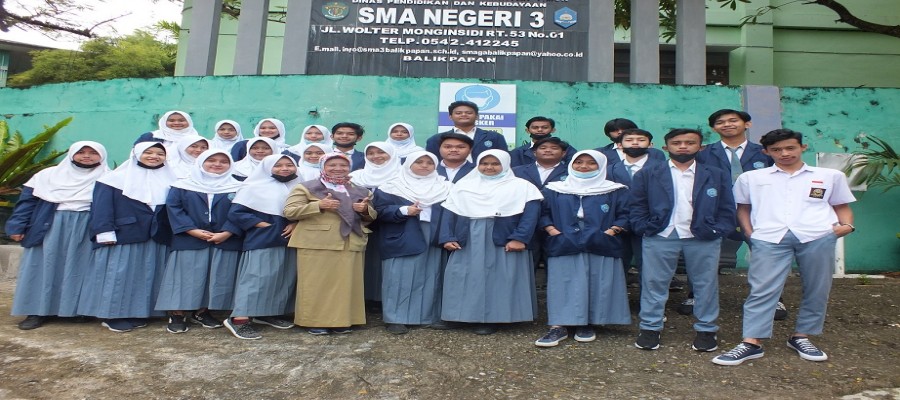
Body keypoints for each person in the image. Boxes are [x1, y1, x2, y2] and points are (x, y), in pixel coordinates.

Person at [712, 129, 856, 366]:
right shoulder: (752, 178)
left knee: (817, 288)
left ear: (802, 147)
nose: (784, 153)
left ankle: (802, 336)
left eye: (790, 148)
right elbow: (742, 208)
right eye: (776, 150)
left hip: (817, 236)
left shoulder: (830, 176)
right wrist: (750, 233)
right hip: (769, 238)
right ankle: (752, 342)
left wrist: (847, 226)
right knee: (762, 288)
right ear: (766, 152)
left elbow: (841, 205)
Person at [630, 128, 736, 352]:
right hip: (660, 234)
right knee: (654, 283)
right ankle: (650, 327)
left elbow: (727, 207)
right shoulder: (648, 173)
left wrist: (718, 230)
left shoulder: (715, 174)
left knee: (705, 284)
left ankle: (706, 329)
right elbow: (637, 205)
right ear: (665, 147)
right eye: (677, 143)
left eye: (690, 142)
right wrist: (644, 227)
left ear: (701, 147)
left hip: (702, 236)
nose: (683, 147)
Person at [685, 109, 784, 318]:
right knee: (703, 254)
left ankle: (773, 300)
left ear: (747, 124)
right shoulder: (703, 154)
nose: (727, 124)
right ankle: (696, 296)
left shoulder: (764, 153)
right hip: (715, 211)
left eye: (733, 120)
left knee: (766, 255)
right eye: (721, 122)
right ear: (714, 128)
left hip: (757, 212)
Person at [7, 142, 110, 330]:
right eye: (81, 152)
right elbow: (27, 203)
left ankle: (74, 310)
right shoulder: (47, 176)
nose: (86, 156)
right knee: (42, 267)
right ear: (72, 154)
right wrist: (17, 226)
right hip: (50, 224)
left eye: (92, 153)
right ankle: (36, 311)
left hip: (87, 226)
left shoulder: (108, 178)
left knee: (80, 267)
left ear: (102, 156)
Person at [439, 150, 543, 335]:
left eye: (495, 164)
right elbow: (449, 212)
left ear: (505, 164)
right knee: (465, 276)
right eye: (484, 163)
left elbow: (530, 216)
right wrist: (447, 237)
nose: (489, 167)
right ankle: (459, 316)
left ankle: (493, 318)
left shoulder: (523, 186)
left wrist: (520, 238)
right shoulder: (463, 185)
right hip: (469, 236)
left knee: (501, 277)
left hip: (504, 236)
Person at [535, 150, 631, 347]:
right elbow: (542, 212)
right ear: (571, 164)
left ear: (601, 166)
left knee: (598, 280)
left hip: (601, 239)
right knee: (563, 281)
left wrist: (612, 231)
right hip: (564, 239)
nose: (584, 166)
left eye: (591, 163)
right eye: (578, 162)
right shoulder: (554, 188)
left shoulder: (615, 190)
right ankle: (558, 325)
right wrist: (552, 230)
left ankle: (588, 323)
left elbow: (626, 213)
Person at [79, 142, 176, 333]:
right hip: (124, 235)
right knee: (118, 276)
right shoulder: (113, 179)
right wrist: (104, 232)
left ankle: (138, 312)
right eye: (148, 152)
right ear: (136, 154)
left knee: (147, 275)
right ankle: (112, 315)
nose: (154, 156)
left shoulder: (171, 178)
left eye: (160, 153)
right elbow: (101, 208)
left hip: (156, 236)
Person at [283, 153, 377, 335]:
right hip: (316, 243)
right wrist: (319, 205)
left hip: (350, 241)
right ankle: (315, 321)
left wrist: (365, 210)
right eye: (332, 165)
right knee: (316, 283)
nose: (338, 168)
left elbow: (371, 217)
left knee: (346, 284)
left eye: (343, 165)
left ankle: (343, 321)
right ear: (323, 167)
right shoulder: (306, 187)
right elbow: (290, 211)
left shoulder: (361, 191)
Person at [155, 149, 244, 334]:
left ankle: (202, 312)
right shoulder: (182, 185)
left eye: (223, 161)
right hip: (188, 238)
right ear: (201, 162)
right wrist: (192, 230)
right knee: (184, 277)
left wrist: (227, 232)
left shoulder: (239, 186)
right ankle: (177, 313)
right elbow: (174, 209)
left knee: (215, 276)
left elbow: (243, 211)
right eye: (211, 160)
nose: (217, 164)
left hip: (224, 240)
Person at [374, 151, 452, 334]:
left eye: (429, 163)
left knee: (431, 275)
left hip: (433, 234)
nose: (424, 165)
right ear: (409, 164)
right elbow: (379, 211)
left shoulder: (445, 186)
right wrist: (402, 210)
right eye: (419, 162)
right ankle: (395, 319)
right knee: (398, 276)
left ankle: (428, 317)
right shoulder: (391, 186)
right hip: (402, 234)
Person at [224, 154, 301, 340]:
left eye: (289, 165)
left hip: (290, 238)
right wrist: (262, 224)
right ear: (267, 168)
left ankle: (267, 313)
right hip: (263, 238)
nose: (285, 168)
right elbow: (236, 213)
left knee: (283, 277)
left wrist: (296, 223)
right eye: (278, 165)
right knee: (257, 277)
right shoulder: (253, 186)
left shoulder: (299, 185)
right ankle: (239, 319)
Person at [608, 129, 666, 287]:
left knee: (649, 265)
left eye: (641, 140)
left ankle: (648, 300)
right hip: (618, 225)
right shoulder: (609, 170)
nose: (635, 143)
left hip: (650, 223)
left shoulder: (663, 168)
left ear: (650, 144)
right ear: (620, 145)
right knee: (617, 263)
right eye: (629, 140)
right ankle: (616, 299)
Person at [349, 142, 403, 311]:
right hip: (360, 223)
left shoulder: (402, 176)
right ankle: (362, 299)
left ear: (392, 154)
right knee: (365, 261)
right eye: (371, 153)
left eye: (381, 152)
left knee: (383, 261)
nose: (376, 156)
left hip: (391, 223)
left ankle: (381, 299)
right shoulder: (355, 176)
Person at [425, 100, 508, 162]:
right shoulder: (436, 139)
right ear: (450, 117)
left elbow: (504, 160)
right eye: (458, 113)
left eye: (469, 113)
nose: (463, 115)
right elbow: (432, 162)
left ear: (477, 116)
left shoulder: (495, 137)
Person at [509, 116, 577, 167]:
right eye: (535, 128)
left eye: (545, 127)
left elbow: (571, 169)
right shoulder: (517, 152)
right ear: (527, 130)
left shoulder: (566, 149)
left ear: (553, 130)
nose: (540, 130)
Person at [595, 118, 665, 166]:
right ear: (608, 133)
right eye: (615, 130)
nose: (620, 132)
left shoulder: (656, 153)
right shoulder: (599, 153)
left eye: (624, 129)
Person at [134, 110, 200, 155]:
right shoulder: (150, 137)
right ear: (164, 122)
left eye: (181, 120)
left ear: (189, 122)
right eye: (171, 121)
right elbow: (136, 154)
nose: (176, 123)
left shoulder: (196, 139)